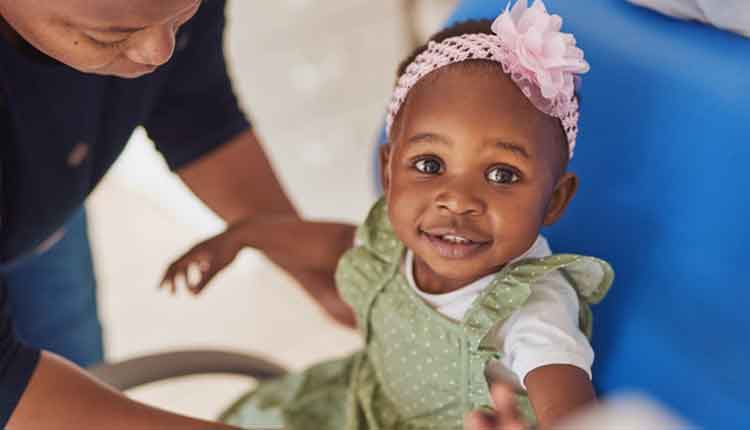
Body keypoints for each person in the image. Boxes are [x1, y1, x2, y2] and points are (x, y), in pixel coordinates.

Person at [162, 1, 614, 428]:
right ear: (389, 172)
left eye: (501, 173)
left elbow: (567, 400)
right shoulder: (403, 237)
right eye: (429, 165)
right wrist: (247, 233)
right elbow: (341, 244)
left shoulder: (532, 307)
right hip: (360, 405)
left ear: (555, 200)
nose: (456, 200)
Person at [0, 0, 353, 427]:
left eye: (181, 16)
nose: (157, 51)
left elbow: (193, 106)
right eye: (109, 36)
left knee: (75, 361)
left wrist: (322, 272)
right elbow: (10, 386)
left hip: (36, 214)